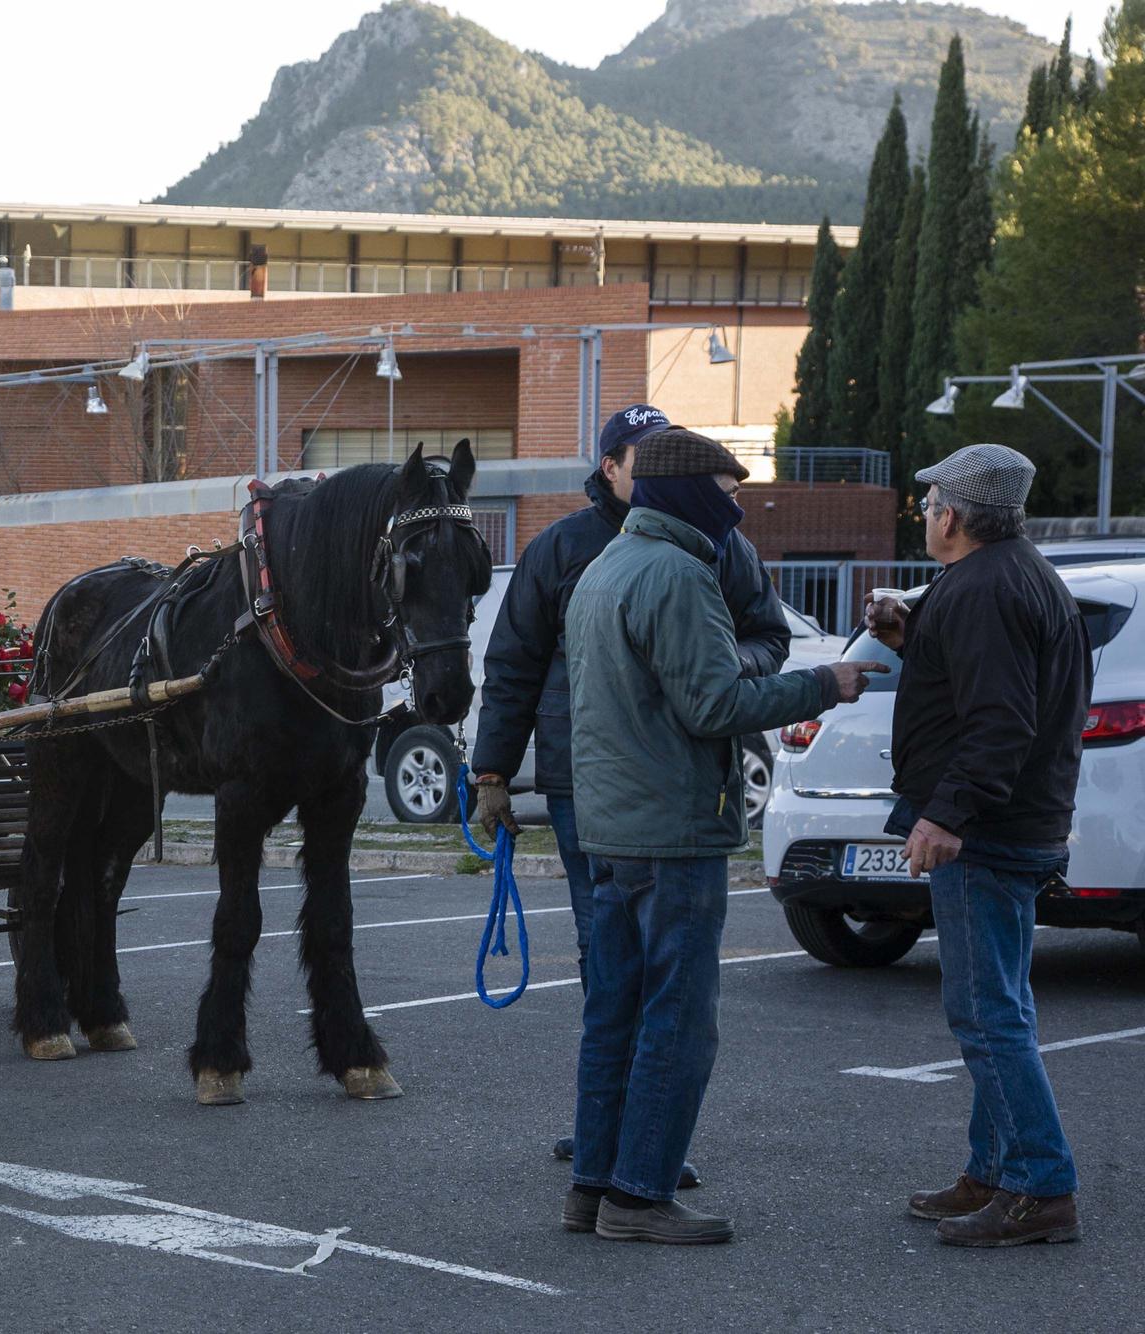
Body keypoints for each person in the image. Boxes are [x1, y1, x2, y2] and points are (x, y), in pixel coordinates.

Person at [562, 428, 883, 1244]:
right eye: (728, 487)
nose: (738, 503)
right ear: (690, 492)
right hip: (673, 831)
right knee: (678, 1018)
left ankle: (594, 1188)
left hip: (614, 828)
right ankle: (639, 1198)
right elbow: (713, 708)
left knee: (615, 1016)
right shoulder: (679, 574)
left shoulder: (605, 569)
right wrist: (824, 683)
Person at [465, 404, 791, 1182]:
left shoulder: (720, 546)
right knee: (617, 970)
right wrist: (491, 774)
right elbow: (511, 667)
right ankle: (620, 1145)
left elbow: (766, 636)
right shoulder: (564, 549)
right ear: (609, 467)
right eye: (640, 455)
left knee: (643, 975)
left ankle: (631, 1143)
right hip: (589, 784)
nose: (654, 467)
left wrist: (710, 664)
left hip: (672, 774)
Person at [865, 444, 1088, 1248]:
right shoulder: (1013, 574)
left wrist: (945, 816)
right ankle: (992, 1172)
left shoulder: (988, 590)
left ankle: (1039, 1188)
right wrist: (910, 628)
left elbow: (999, 722)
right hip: (1017, 825)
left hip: (987, 835)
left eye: (929, 505)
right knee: (1002, 1007)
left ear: (952, 516)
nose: (925, 515)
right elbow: (985, 684)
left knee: (987, 1015)